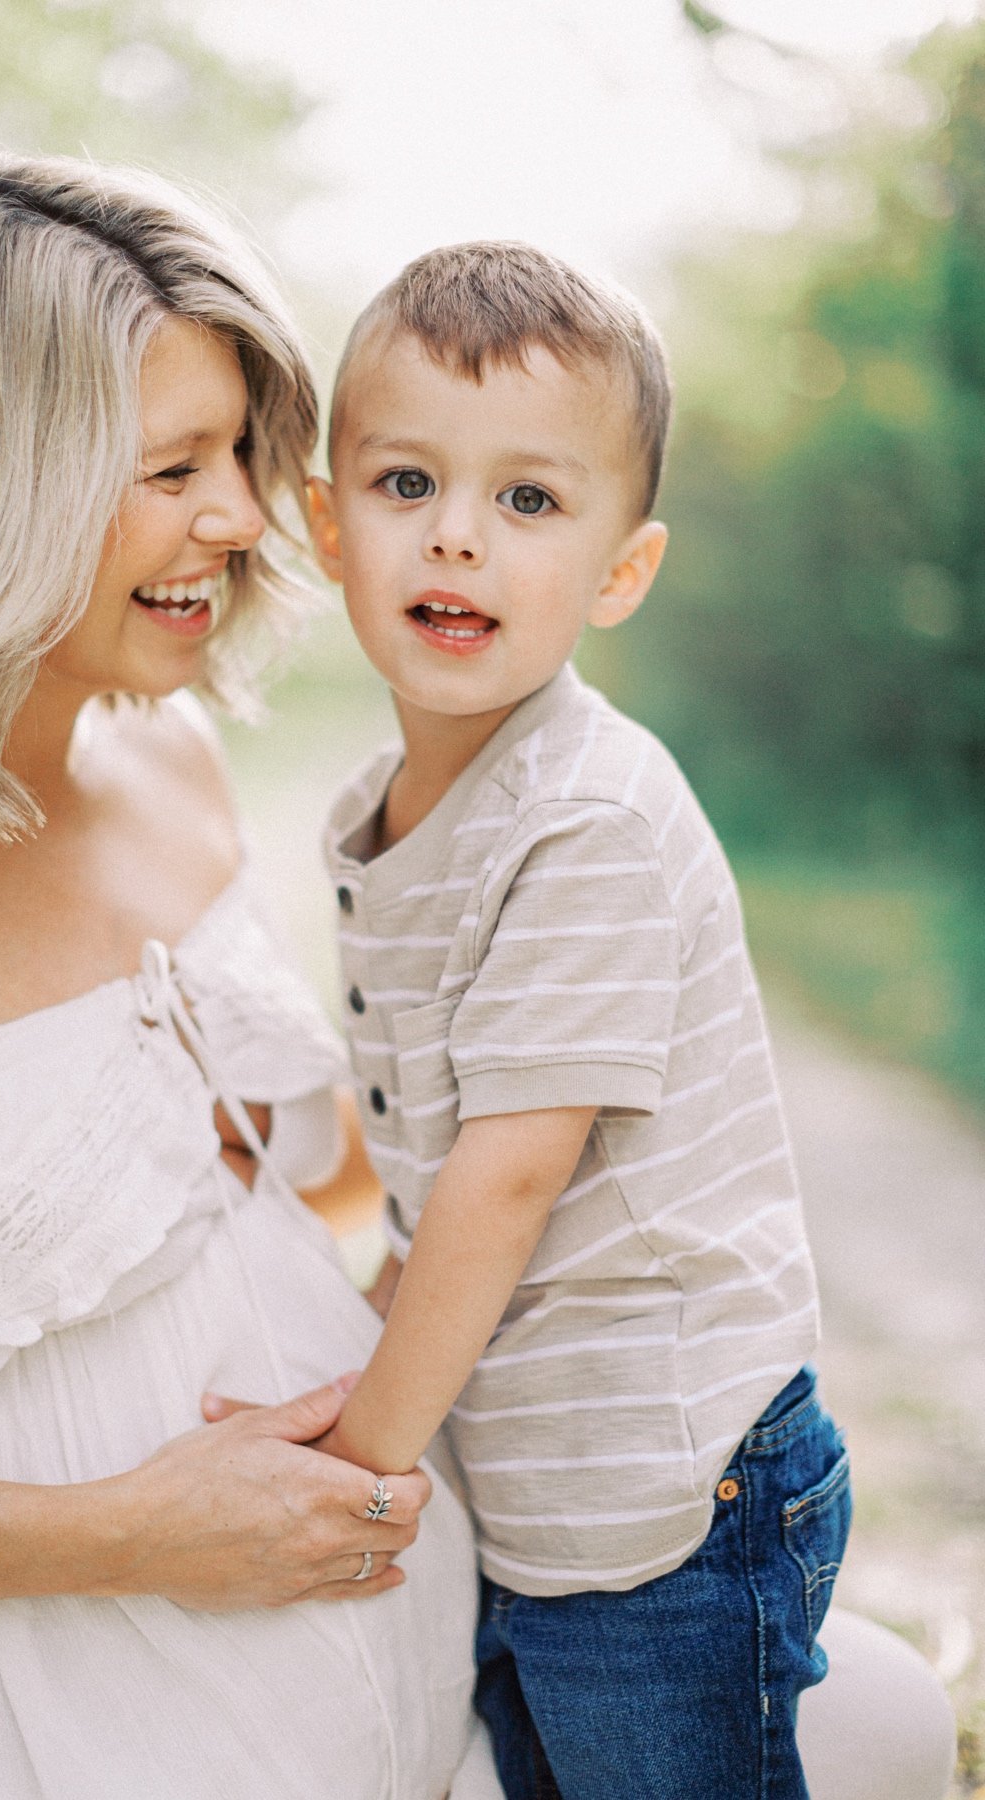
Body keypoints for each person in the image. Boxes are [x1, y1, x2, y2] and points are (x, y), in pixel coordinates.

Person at [0, 156, 505, 1800]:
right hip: (14, 1726)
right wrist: (126, 1532)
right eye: (173, 465)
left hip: (378, 1666)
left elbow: (262, 1179)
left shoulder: (168, 757)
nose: (246, 516)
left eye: (244, 451)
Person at [305, 241, 888, 1797]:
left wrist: (365, 1462)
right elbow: (423, 1171)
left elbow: (503, 1179)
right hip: (545, 1472)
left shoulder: (586, 820)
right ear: (321, 521)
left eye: (531, 502)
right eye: (407, 481)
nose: (458, 538)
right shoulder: (381, 811)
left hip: (669, 1496)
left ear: (621, 572)